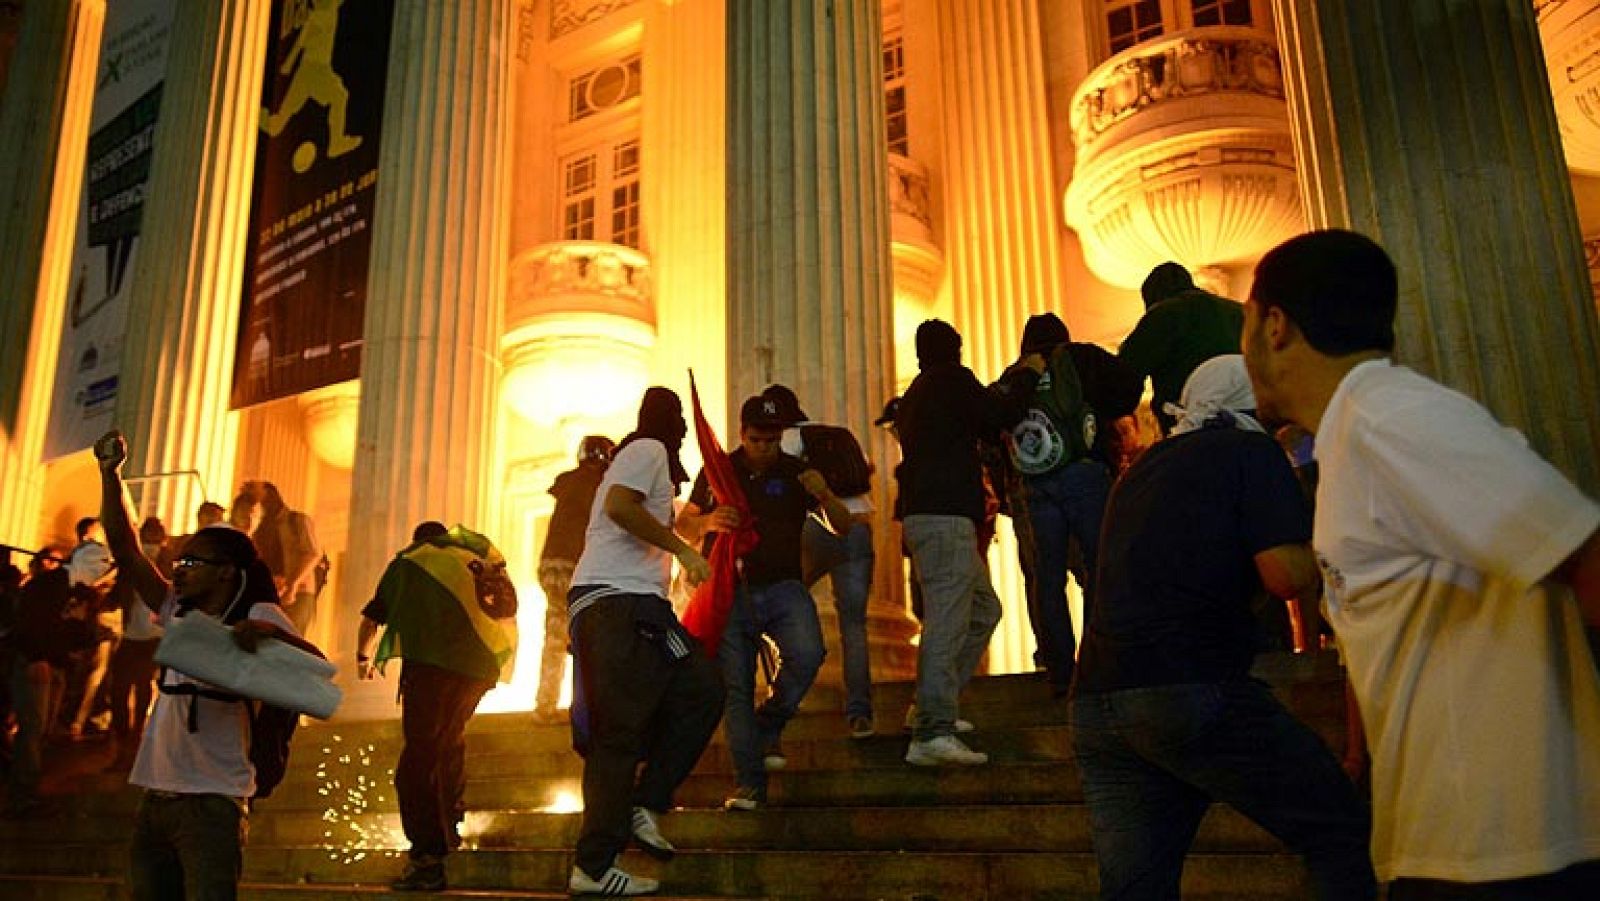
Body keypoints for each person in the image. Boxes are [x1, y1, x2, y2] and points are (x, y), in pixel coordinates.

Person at [1240, 229, 1600, 897]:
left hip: (1507, 856)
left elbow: (1581, 554)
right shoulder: (1356, 431)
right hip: (1450, 848)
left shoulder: (1393, 417)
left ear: (1276, 324)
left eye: (1244, 322)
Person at [1071, 355, 1376, 900]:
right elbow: (1284, 575)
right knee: (1338, 827)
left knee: (1136, 889)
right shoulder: (1250, 451)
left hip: (1098, 699)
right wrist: (1331, 543)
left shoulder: (1140, 469)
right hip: (1190, 685)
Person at [94, 430, 316, 901]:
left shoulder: (258, 615)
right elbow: (126, 549)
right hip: (155, 798)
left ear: (226, 571)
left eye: (195, 560)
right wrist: (109, 475)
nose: (180, 566)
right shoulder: (178, 611)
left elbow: (314, 676)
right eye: (182, 557)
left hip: (212, 804)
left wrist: (272, 637)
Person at [566, 387, 722, 897]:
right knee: (622, 731)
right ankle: (593, 866)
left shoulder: (646, 460)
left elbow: (665, 518)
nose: (682, 434)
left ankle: (643, 803)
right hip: (620, 606)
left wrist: (702, 527)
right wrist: (685, 551)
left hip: (633, 609)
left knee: (697, 687)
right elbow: (620, 508)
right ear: (668, 424)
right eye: (679, 423)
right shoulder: (647, 449)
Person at [679, 394, 852, 809]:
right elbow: (683, 526)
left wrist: (825, 495)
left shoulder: (796, 472)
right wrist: (707, 522)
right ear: (742, 434)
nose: (765, 448)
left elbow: (844, 527)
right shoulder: (720, 471)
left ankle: (771, 719)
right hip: (730, 589)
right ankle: (749, 784)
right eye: (757, 439)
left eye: (772, 440)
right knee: (735, 686)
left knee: (809, 653)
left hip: (783, 586)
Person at [895, 319, 1042, 766]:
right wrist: (1028, 375)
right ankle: (931, 731)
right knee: (946, 620)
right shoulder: (951, 381)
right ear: (956, 349)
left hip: (928, 517)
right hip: (946, 518)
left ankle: (934, 705)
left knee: (983, 611)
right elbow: (999, 414)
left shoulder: (917, 393)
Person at [355, 521, 519, 892]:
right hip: (477, 672)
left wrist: (361, 658)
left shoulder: (411, 561)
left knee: (419, 757)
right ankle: (452, 824)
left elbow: (372, 617)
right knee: (449, 740)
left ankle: (427, 857)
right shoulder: (470, 559)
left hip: (430, 673)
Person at [1007, 312, 1142, 696]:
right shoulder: (1083, 357)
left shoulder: (1018, 372)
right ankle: (1100, 664)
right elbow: (1129, 389)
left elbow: (997, 421)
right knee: (1099, 569)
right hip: (1085, 475)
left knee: (1046, 579)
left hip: (1036, 486)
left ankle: (1060, 671)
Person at [761, 383, 879, 739]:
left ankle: (778, 697)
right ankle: (860, 713)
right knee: (854, 626)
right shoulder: (832, 435)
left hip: (814, 528)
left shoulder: (784, 442)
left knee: (775, 606)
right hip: (858, 527)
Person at [534, 435, 615, 723]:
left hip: (549, 565)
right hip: (579, 567)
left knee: (555, 635)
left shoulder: (567, 482)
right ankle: (589, 705)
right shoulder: (601, 487)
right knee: (589, 636)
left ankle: (545, 706)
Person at [1119, 261, 1245, 436]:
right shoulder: (1240, 312)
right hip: (1250, 426)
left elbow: (1124, 375)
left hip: (1190, 431)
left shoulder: (1163, 314)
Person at [244, 482, 323, 636]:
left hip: (299, 594)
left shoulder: (298, 521)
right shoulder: (259, 527)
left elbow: (312, 553)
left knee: (292, 639)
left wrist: (292, 584)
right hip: (272, 593)